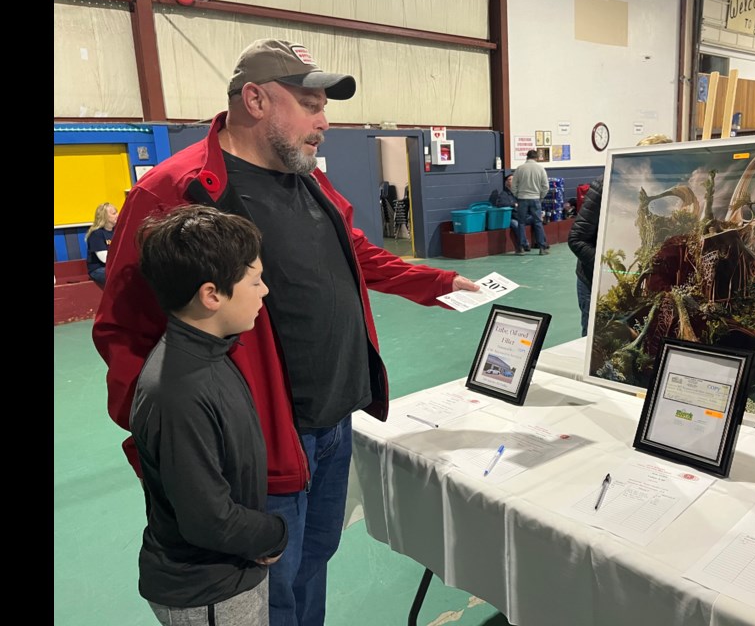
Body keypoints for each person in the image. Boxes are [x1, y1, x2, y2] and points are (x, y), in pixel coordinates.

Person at [92, 38, 479, 626]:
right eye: (310, 104)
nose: (325, 122)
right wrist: (168, 456)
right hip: (257, 445)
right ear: (254, 99)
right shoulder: (175, 193)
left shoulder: (309, 182)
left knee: (311, 565)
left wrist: (437, 283)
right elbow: (124, 330)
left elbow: (355, 255)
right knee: (271, 591)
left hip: (332, 424)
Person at [132, 205, 287, 626]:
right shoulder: (179, 391)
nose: (265, 291)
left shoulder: (209, 351)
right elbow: (208, 521)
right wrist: (275, 533)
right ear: (211, 295)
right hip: (209, 592)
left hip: (231, 572)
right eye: (255, 280)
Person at [568, 134, 673, 336]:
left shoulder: (662, 191)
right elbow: (577, 239)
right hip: (593, 281)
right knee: (595, 339)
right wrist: (608, 272)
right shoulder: (605, 185)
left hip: (635, 284)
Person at [512, 149, 550, 254]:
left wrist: (517, 195)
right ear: (536, 157)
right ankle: (542, 248)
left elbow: (513, 185)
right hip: (535, 198)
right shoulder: (541, 169)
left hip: (522, 198)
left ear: (526, 157)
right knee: (538, 222)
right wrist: (540, 197)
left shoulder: (519, 169)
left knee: (521, 223)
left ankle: (521, 247)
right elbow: (546, 186)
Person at [491, 172, 530, 254]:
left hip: (522, 215)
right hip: (511, 217)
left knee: (537, 219)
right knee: (517, 225)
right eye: (510, 179)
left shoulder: (519, 192)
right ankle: (524, 244)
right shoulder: (503, 194)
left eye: (513, 179)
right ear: (506, 183)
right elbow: (500, 204)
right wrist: (513, 204)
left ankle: (541, 243)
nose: (512, 181)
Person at [85, 202, 118, 288]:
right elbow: (104, 259)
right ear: (105, 217)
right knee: (120, 277)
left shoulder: (117, 231)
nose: (117, 215)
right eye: (114, 213)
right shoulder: (96, 234)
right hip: (98, 269)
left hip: (112, 266)